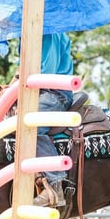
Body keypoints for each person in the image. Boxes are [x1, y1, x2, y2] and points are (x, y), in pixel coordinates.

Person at [32, 31, 74, 208]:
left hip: (54, 93)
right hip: (42, 92)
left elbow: (45, 71)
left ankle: (55, 184)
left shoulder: (47, 33)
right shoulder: (31, 34)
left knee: (30, 126)